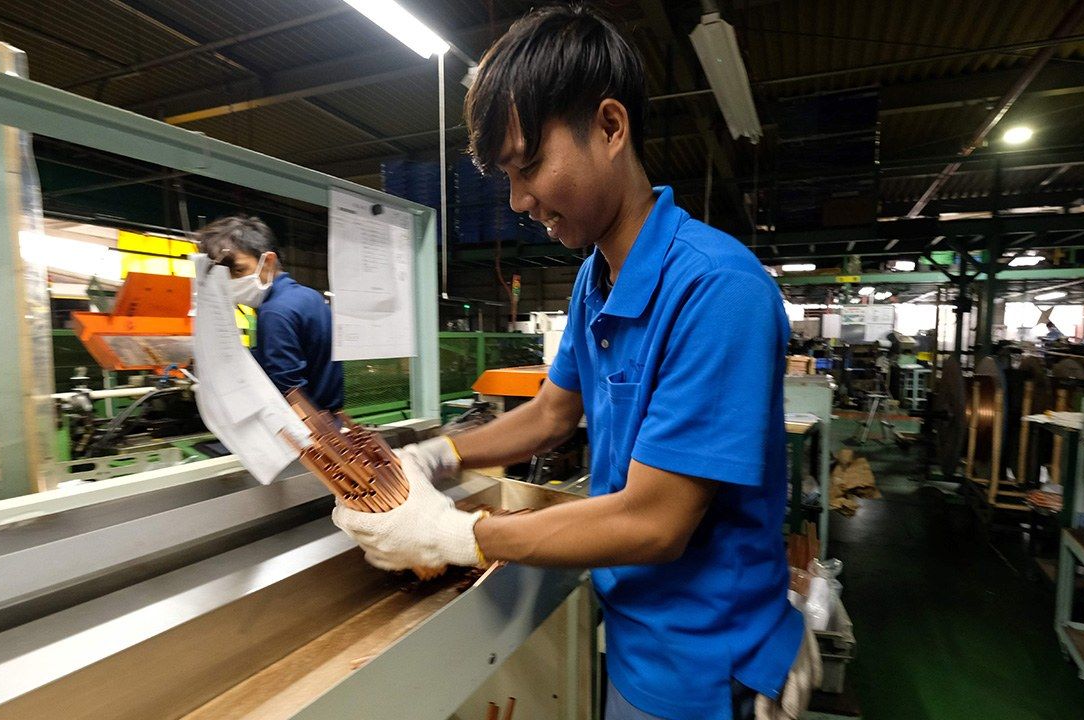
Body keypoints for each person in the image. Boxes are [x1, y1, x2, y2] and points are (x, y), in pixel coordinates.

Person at [331, 6, 817, 720]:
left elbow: (655, 522)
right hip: (639, 635)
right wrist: (437, 454)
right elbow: (553, 414)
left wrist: (458, 535)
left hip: (707, 668)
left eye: (528, 166)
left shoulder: (717, 290)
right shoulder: (597, 280)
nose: (519, 200)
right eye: (507, 176)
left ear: (611, 127)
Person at [195, 215, 344, 412]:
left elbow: (290, 391)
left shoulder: (275, 312)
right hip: (329, 418)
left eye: (239, 270)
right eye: (226, 276)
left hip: (305, 424)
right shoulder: (310, 296)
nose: (232, 282)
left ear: (268, 261)